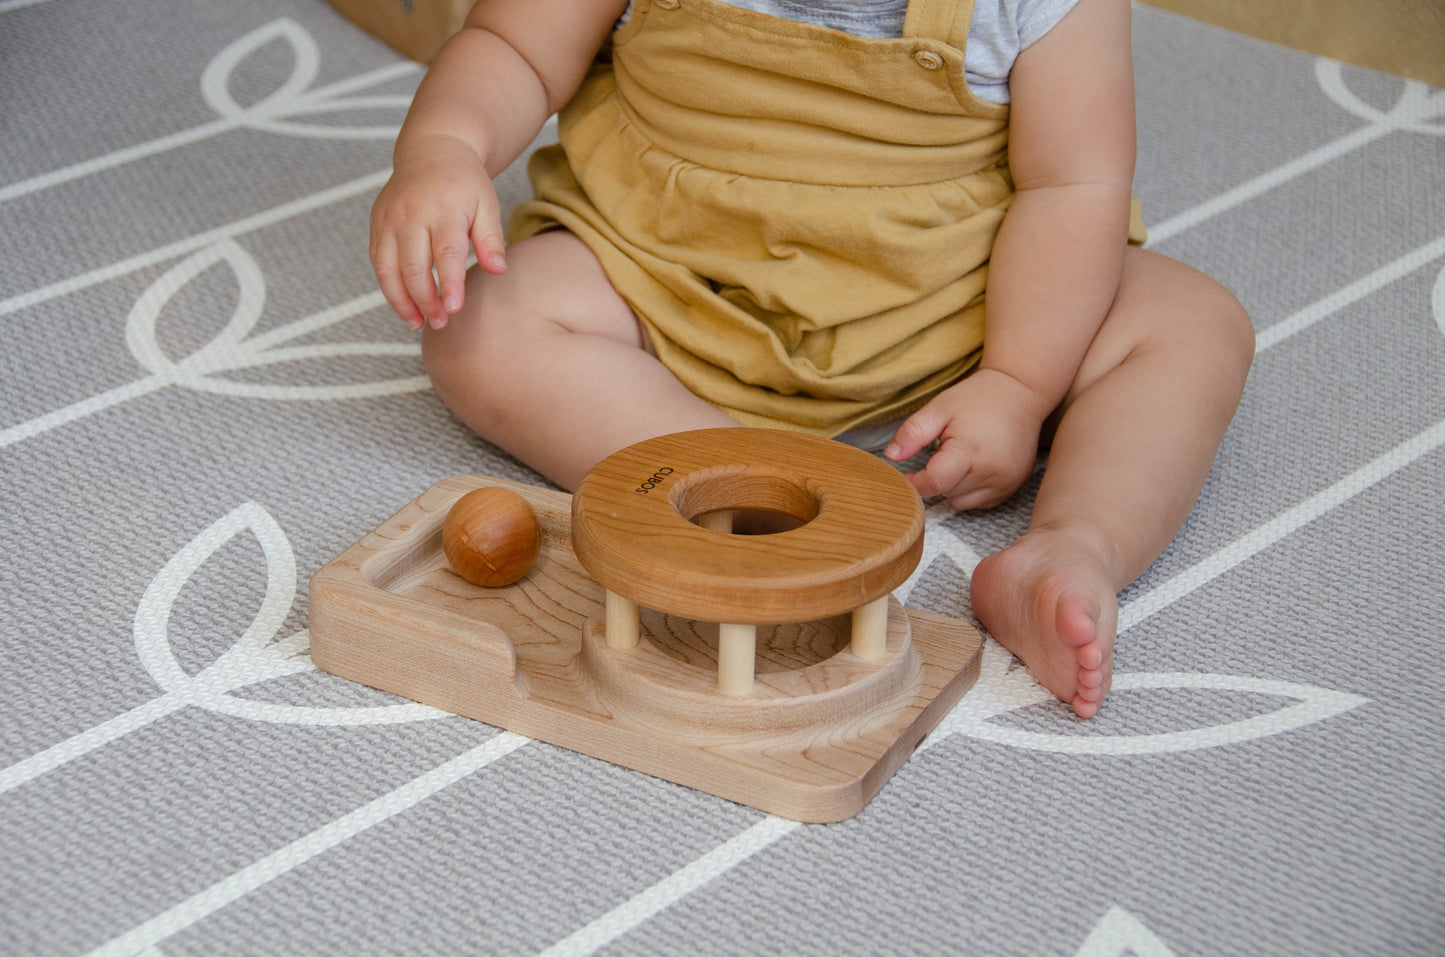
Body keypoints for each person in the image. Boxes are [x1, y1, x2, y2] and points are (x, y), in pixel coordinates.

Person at [368, 0, 1255, 718]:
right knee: (478, 320)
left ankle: (1069, 545)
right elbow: (512, 47)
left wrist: (1019, 382)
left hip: (956, 315)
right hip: (669, 283)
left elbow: (1071, 186)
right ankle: (741, 485)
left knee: (1192, 326)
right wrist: (445, 151)